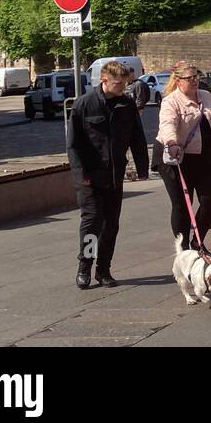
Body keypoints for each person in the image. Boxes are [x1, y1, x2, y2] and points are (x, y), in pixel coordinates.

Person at [67, 60, 149, 289]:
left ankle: (104, 269)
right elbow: (73, 145)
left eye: (125, 83)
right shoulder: (84, 105)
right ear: (104, 80)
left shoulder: (126, 104)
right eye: (118, 83)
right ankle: (85, 265)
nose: (123, 87)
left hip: (115, 175)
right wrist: (80, 173)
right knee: (92, 223)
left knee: (111, 225)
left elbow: (137, 137)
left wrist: (143, 167)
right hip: (90, 177)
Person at [156, 62, 211, 260]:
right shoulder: (171, 102)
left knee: (210, 200)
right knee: (181, 205)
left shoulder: (205, 96)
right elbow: (167, 124)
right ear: (178, 81)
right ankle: (185, 249)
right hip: (179, 157)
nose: (195, 81)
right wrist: (171, 143)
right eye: (190, 78)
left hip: (208, 156)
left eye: (197, 77)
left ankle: (198, 241)